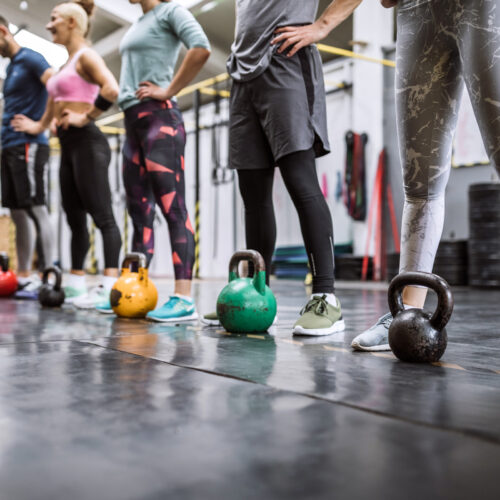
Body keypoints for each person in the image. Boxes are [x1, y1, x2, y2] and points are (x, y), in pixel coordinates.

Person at [305, 0, 500, 349]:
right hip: (416, 11)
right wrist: (325, 23)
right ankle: (406, 314)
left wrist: (322, 24)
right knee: (420, 183)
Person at [203, 0, 367, 335]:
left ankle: (326, 298)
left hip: (285, 61)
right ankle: (255, 294)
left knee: (300, 182)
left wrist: (322, 25)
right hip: (242, 76)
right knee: (253, 195)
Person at [100, 0, 210, 322]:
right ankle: (133, 287)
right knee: (139, 212)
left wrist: (168, 90)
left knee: (173, 208)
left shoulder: (170, 11)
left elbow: (201, 48)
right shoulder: (138, 23)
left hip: (160, 120)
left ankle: (184, 298)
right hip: (132, 122)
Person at [11, 0, 122, 308]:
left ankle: (109, 286)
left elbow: (111, 88)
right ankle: (74, 283)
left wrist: (84, 117)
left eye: (54, 19)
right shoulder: (64, 65)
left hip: (88, 141)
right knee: (74, 217)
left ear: (72, 22)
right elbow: (50, 111)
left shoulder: (86, 56)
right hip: (69, 144)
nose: (49, 25)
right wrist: (36, 126)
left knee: (102, 216)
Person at [0, 16, 55, 299]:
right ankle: (23, 275)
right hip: (9, 145)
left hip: (28, 144)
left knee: (36, 207)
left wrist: (40, 125)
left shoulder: (32, 58)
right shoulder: (11, 69)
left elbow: (56, 86)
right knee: (18, 212)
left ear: (2, 31)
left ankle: (49, 275)